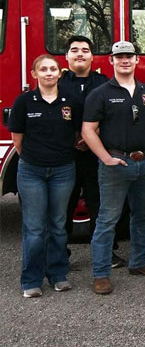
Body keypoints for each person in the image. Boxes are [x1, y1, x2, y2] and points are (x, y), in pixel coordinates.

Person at [82, 41, 145, 295]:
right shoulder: (100, 93)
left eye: (129, 56)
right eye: (119, 57)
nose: (124, 60)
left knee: (142, 216)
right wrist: (106, 158)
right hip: (115, 165)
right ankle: (100, 274)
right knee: (107, 220)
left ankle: (139, 262)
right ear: (111, 60)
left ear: (137, 59)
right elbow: (88, 130)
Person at [9, 54, 81, 297]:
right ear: (34, 74)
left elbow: (79, 133)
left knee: (58, 226)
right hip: (32, 172)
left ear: (60, 74)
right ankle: (31, 280)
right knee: (35, 228)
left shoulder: (71, 101)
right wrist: (35, 158)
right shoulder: (24, 102)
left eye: (53, 69)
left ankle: (58, 275)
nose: (49, 73)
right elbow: (17, 139)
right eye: (44, 69)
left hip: (63, 171)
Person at [59, 36, 108, 258]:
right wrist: (72, 137)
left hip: (95, 155)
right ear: (66, 56)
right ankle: (60, 253)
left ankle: (106, 252)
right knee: (63, 207)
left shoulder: (103, 82)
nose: (80, 53)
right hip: (65, 155)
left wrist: (92, 137)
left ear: (92, 56)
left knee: (98, 204)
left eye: (85, 50)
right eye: (75, 50)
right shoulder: (57, 83)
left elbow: (110, 115)